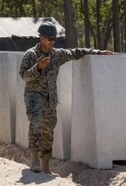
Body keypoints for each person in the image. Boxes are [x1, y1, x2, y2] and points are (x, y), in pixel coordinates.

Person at [19, 21, 114, 174]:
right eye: (49, 39)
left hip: (51, 98)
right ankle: (35, 159)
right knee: (35, 123)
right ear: (41, 38)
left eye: (54, 39)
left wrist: (97, 52)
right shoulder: (30, 55)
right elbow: (23, 76)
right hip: (34, 97)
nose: (52, 42)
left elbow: (75, 52)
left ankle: (45, 164)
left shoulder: (56, 55)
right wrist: (37, 68)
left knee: (48, 130)